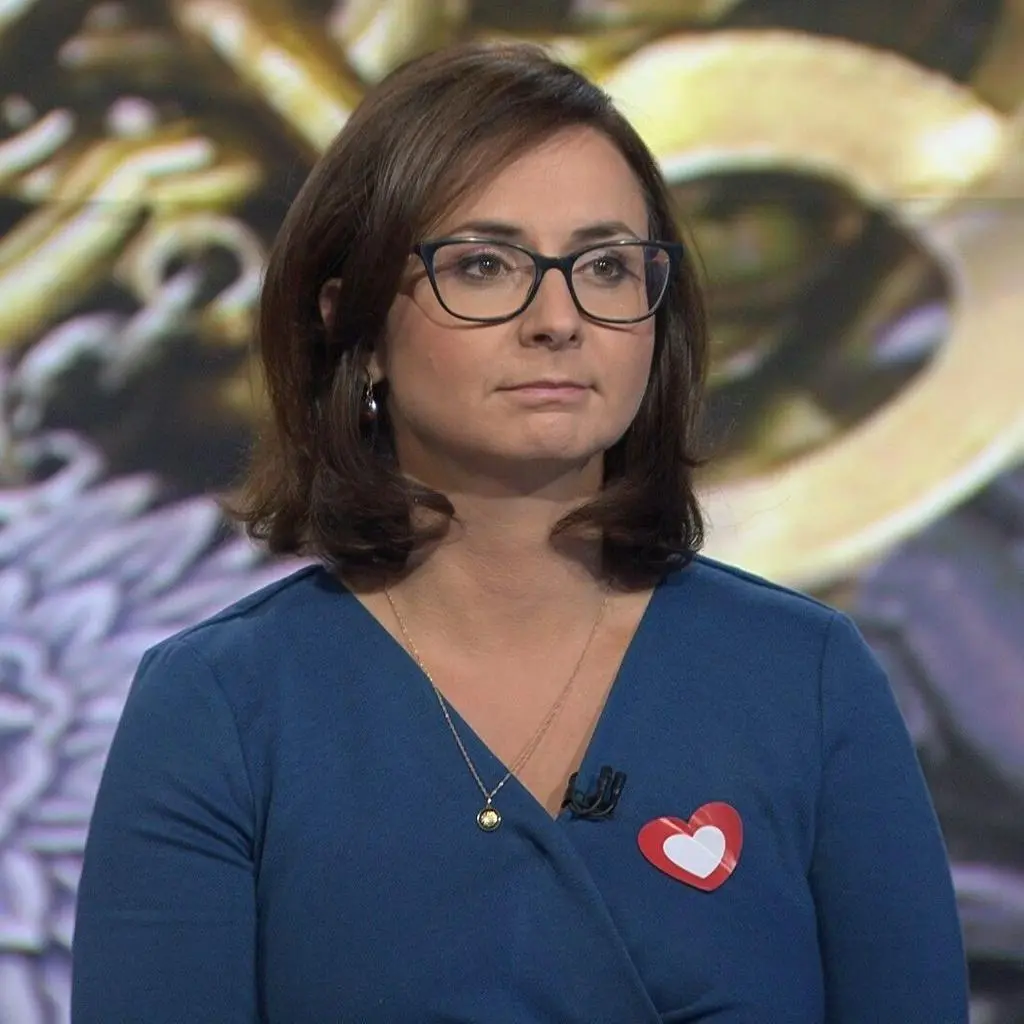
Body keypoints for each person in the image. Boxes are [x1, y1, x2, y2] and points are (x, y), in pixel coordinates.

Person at [71, 41, 969, 1024]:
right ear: (354, 327)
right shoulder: (220, 708)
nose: (557, 319)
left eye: (607, 266)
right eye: (484, 265)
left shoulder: (807, 678)